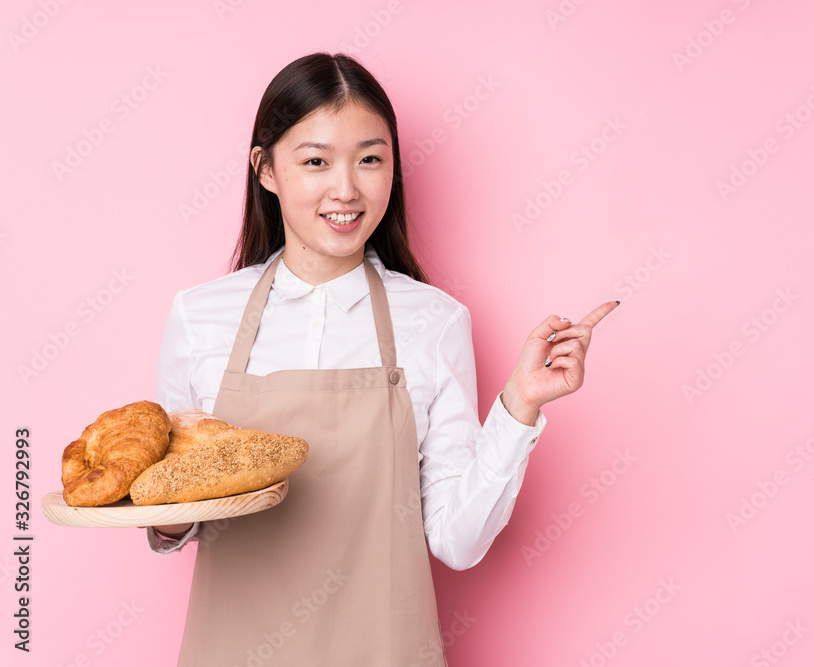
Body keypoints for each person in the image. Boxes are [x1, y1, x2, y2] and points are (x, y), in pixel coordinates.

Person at [147, 51, 618, 665]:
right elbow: (170, 514)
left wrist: (519, 406)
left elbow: (457, 541)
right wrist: (160, 516)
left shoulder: (433, 322)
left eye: (370, 159)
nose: (346, 190)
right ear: (265, 169)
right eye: (315, 161)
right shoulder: (199, 316)